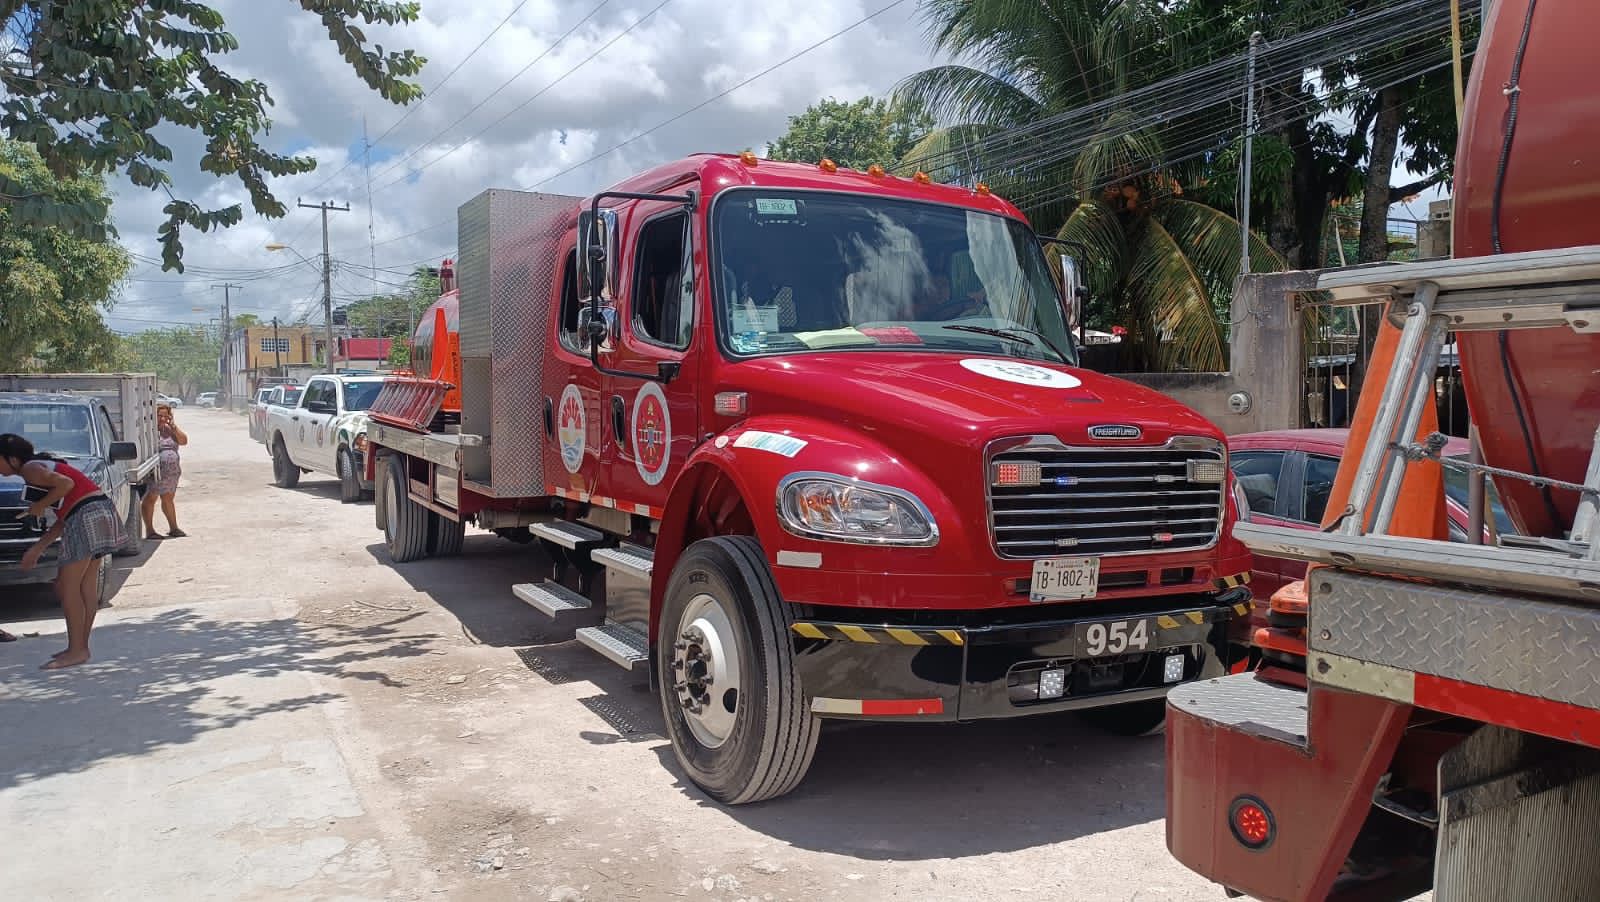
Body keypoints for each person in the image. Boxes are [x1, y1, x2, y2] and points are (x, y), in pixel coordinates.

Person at [0, 433, 125, 669]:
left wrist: (39, 506)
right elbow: (63, 517)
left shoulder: (30, 469)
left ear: (13, 459)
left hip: (85, 516)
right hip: (98, 512)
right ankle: (79, 647)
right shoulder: (40, 468)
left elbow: (65, 486)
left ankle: (78, 649)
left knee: (67, 587)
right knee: (84, 586)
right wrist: (37, 548)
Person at [142, 404, 188, 538]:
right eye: (159, 415)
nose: (162, 419)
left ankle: (174, 528)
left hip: (171, 473)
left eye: (165, 416)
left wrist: (173, 426)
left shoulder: (169, 429)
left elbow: (184, 441)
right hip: (155, 472)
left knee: (168, 498)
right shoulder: (149, 431)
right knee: (151, 498)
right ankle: (150, 531)